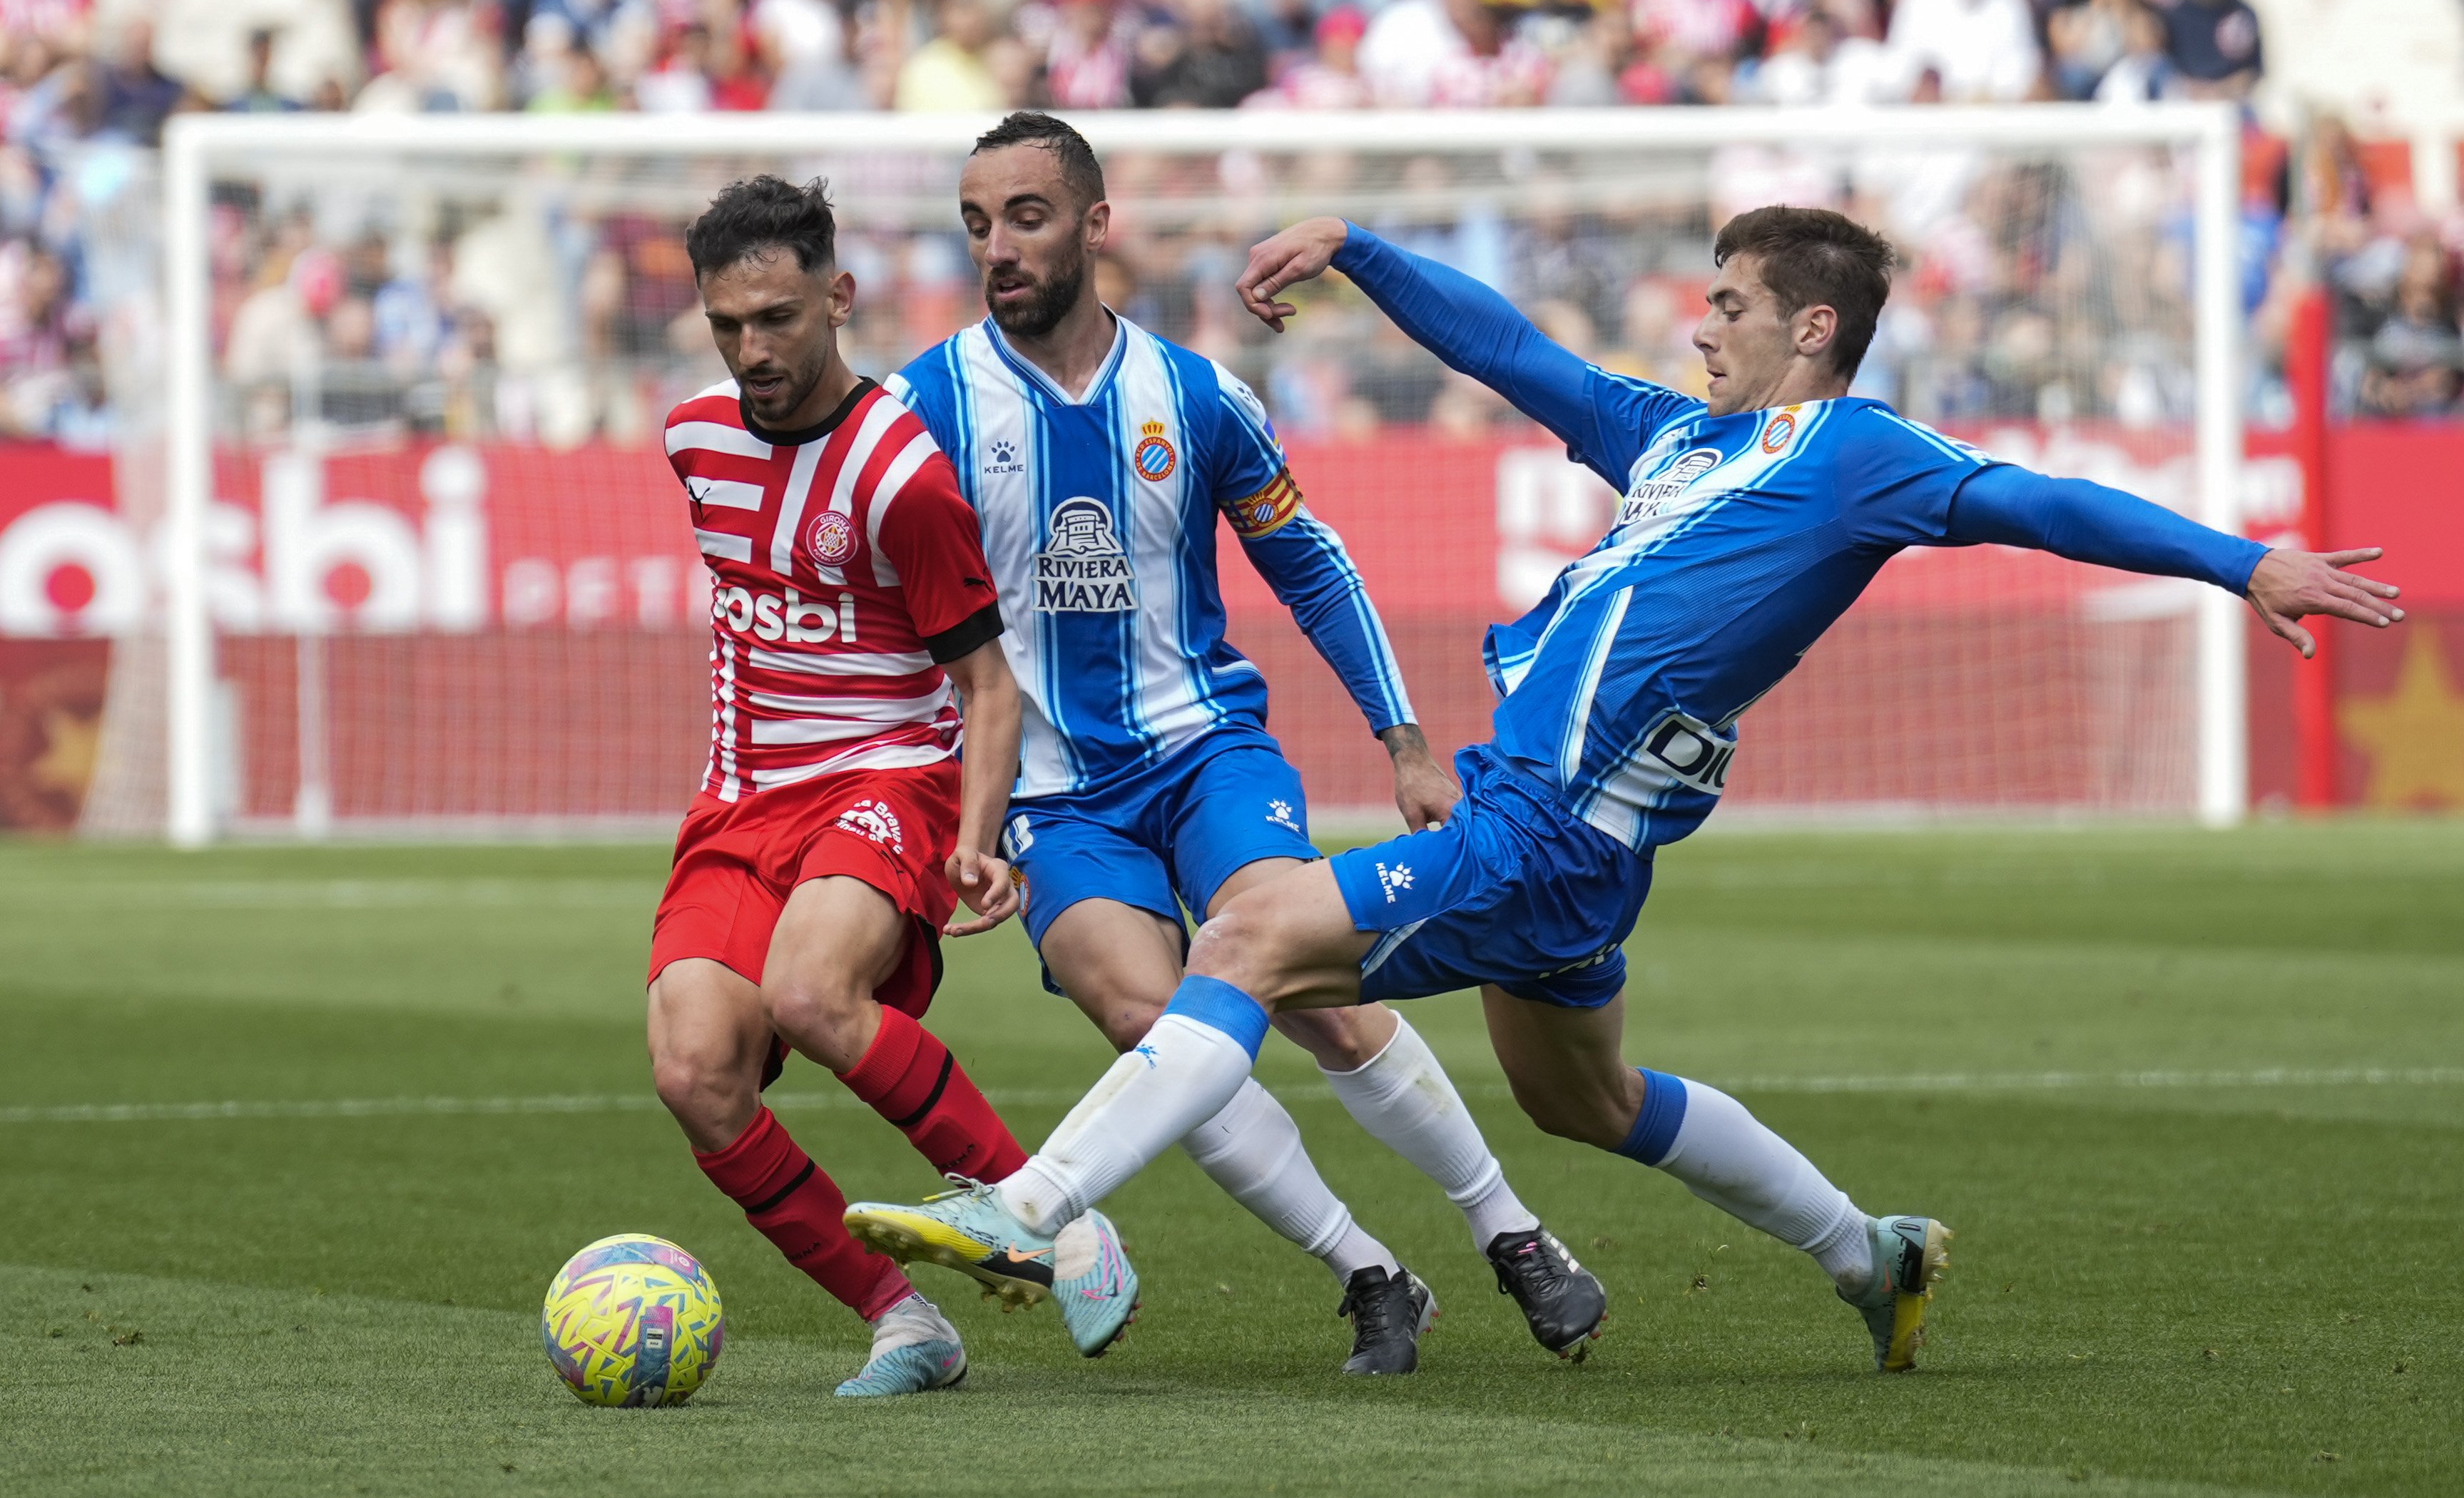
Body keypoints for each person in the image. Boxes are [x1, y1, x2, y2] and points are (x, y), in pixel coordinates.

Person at [843, 203, 2405, 1374]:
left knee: (1244, 940)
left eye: (1726, 306)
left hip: (1532, 834)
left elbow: (2036, 502)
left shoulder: (1852, 452)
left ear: (1807, 331)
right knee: (1574, 1099)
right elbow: (1509, 352)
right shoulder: (1668, 439)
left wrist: (2235, 559)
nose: (1697, 327)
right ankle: (1868, 1255)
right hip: (1569, 844)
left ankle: (1028, 1208)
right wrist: (1359, 248)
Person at [863, 113, 1606, 1375]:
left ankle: (1511, 1229)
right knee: (1144, 1015)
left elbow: (1309, 566)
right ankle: (1369, 1271)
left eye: (1028, 216)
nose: (999, 246)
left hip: (1205, 750)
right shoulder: (918, 405)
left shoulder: (1197, 396)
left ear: (1097, 226)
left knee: (1296, 975)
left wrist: (1406, 743)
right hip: (1055, 796)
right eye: (978, 223)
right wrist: (956, 818)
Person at [646, 175, 1139, 1398]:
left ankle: (1056, 1214)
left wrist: (978, 841)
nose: (754, 350)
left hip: (887, 778)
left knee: (812, 993)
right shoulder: (693, 439)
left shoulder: (900, 475)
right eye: (728, 325)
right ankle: (904, 1321)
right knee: (694, 1071)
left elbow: (986, 687)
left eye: (777, 318)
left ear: (838, 297)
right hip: (740, 801)